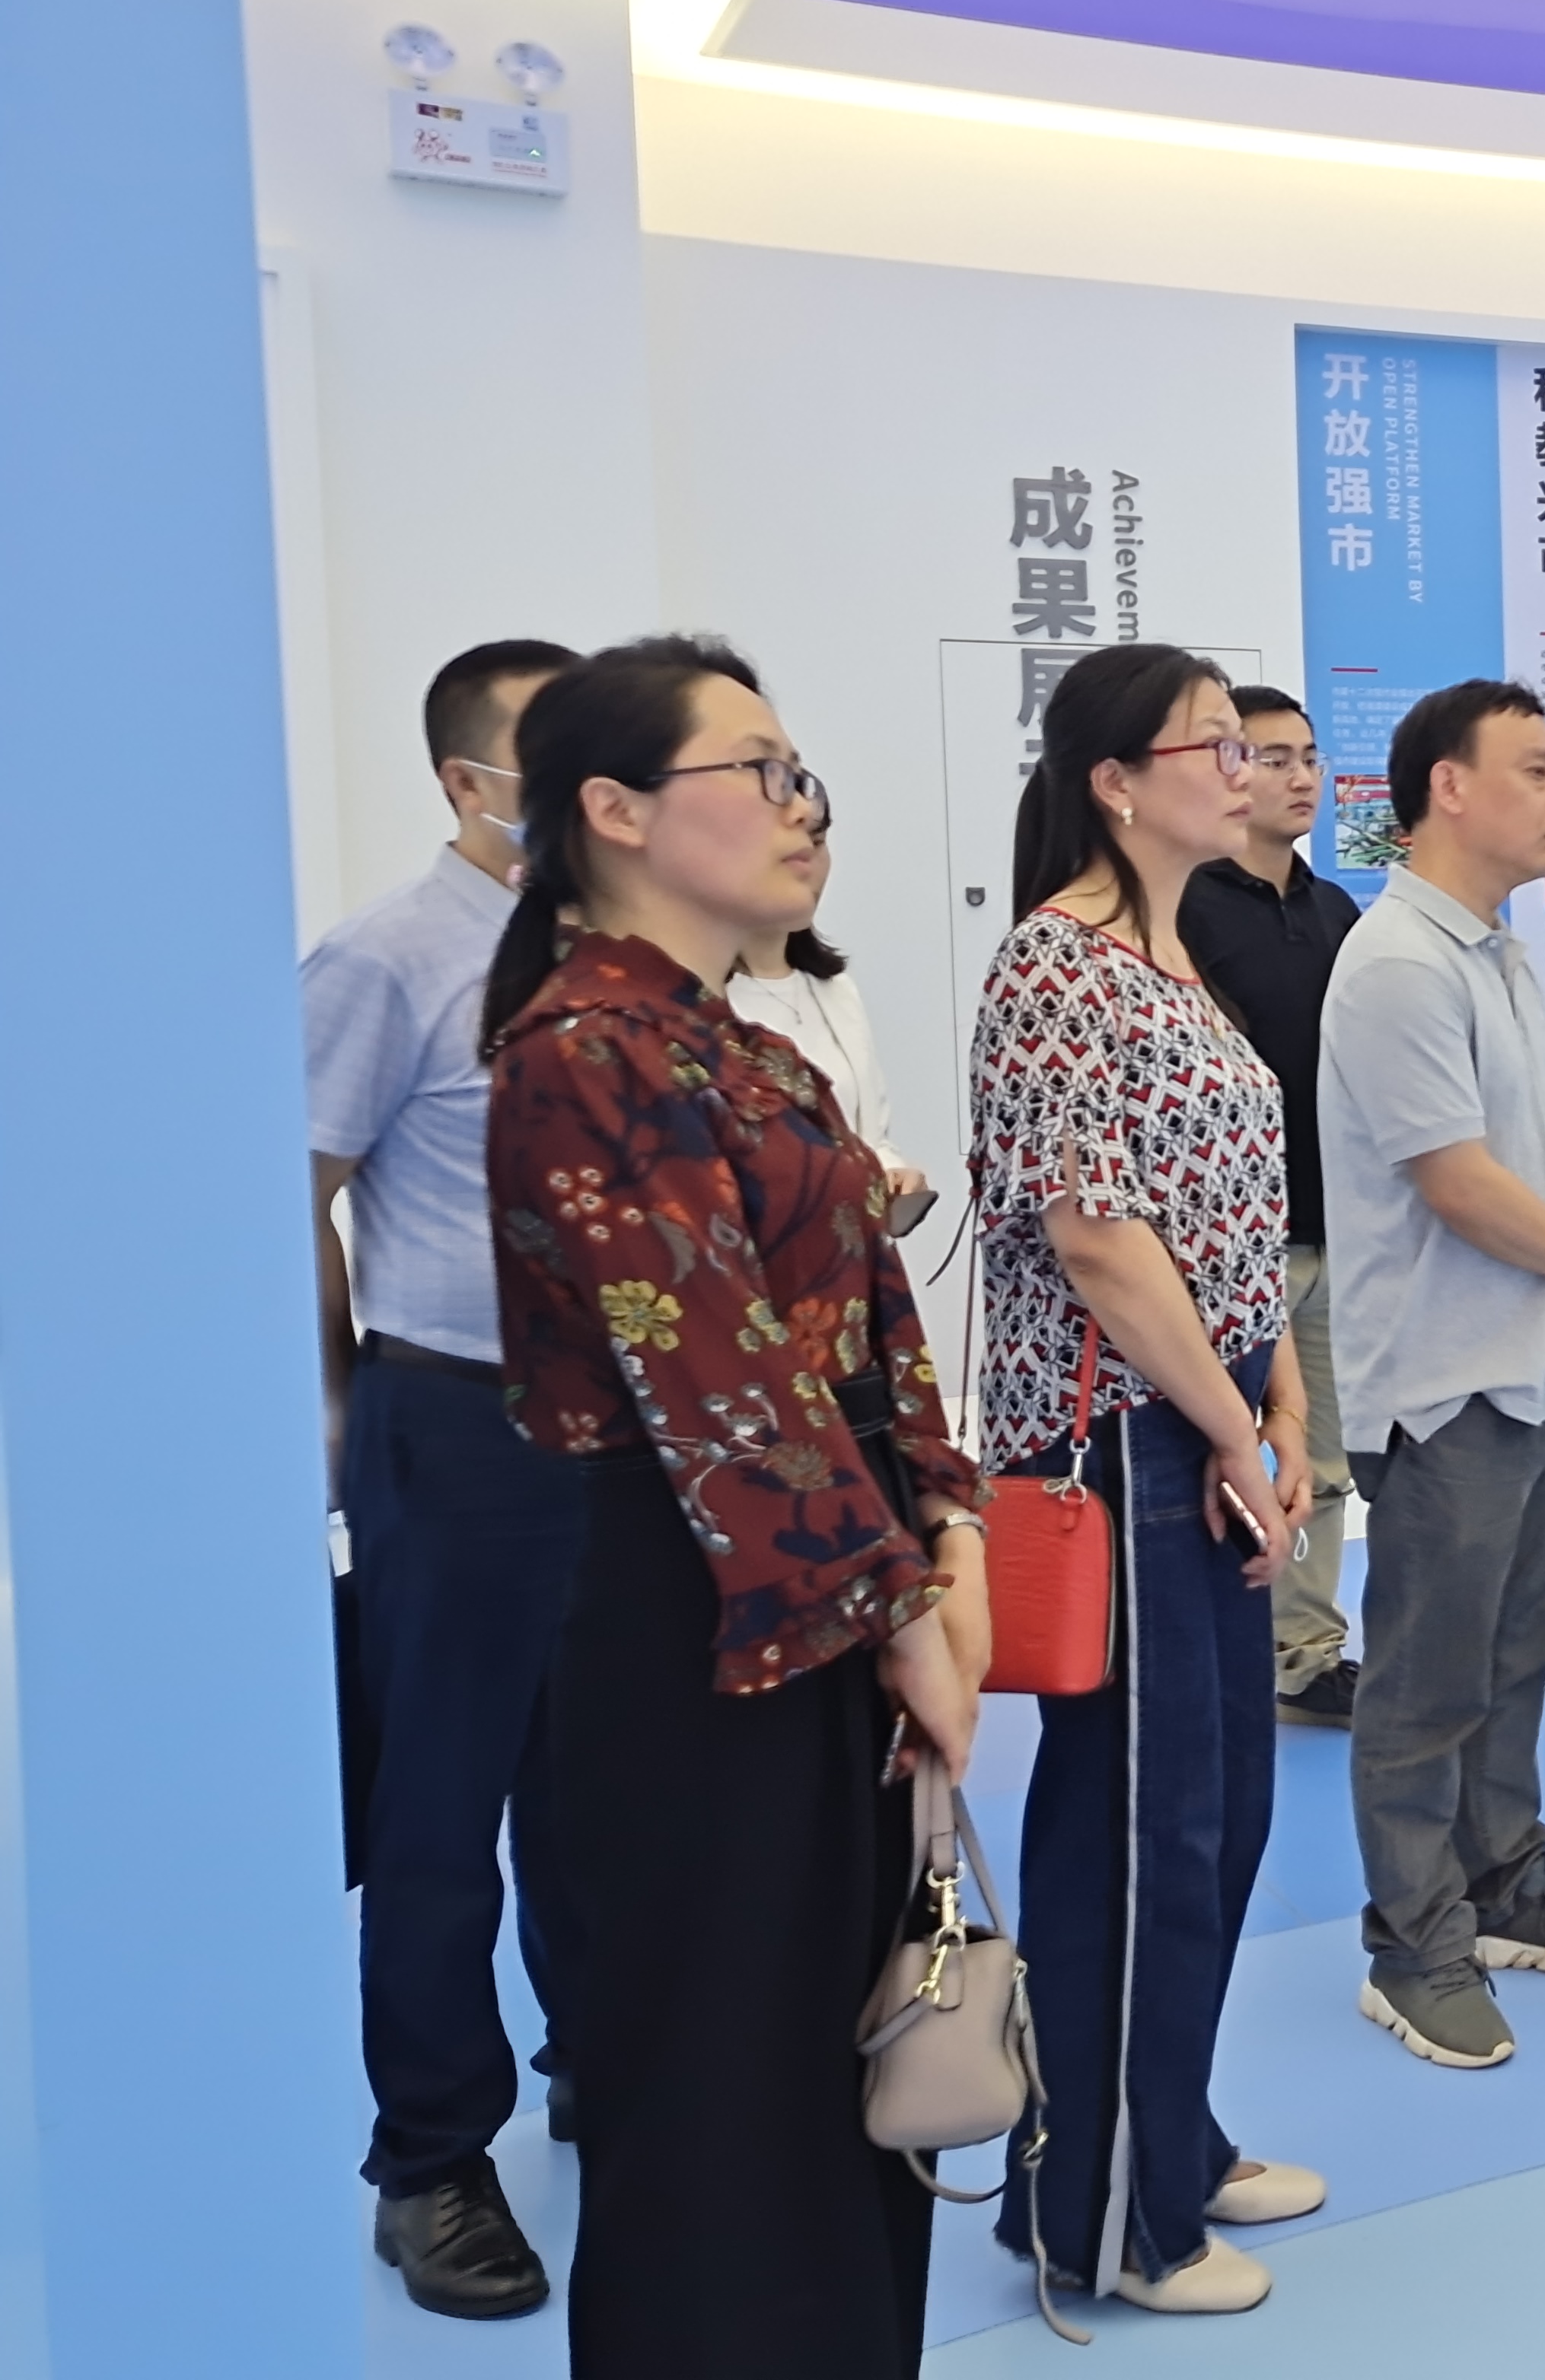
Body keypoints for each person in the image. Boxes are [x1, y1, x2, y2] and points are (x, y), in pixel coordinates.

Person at [478, 635, 985, 2376]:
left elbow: (876, 1319)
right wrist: (907, 1613)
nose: (799, 805)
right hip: (694, 1622)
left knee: (840, 2067)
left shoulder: (745, 1044)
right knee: (715, 2085)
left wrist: (951, 1528)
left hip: (838, 1586)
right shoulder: (579, 1052)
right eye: (757, 771)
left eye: (799, 772)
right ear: (614, 811)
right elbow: (715, 1375)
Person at [970, 644, 1327, 2314]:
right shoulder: (1056, 969)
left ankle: (1161, 2129)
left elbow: (1242, 1229)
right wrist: (1235, 1435)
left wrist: (1282, 1404)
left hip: (1211, 1420)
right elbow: (1100, 1242)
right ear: (1116, 782)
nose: (1248, 768)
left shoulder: (1182, 962)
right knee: (1139, 1828)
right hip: (1119, 1442)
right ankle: (1106, 2216)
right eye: (1215, 745)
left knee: (1223, 1812)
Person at [304, 635, 581, 2320]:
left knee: (601, 1787)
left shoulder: (622, 954)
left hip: (614, 1442)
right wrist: (352, 1407)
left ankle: (597, 2058)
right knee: (440, 1813)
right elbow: (296, 1185)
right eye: (553, 752)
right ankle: (431, 2161)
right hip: (455, 1422)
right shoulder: (389, 956)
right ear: (467, 781)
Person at [1318, 678, 1545, 2068]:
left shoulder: (1496, 950)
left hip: (1525, 1366)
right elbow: (1451, 1180)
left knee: (1517, 1653)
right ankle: (1413, 1946)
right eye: (1540, 771)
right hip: (1440, 1379)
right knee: (1424, 1682)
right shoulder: (1397, 960)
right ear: (1448, 788)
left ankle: (1505, 1882)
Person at [1178, 684, 1366, 1726]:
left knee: (1323, 1463)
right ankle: (1214, 1650)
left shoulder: (1337, 911)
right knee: (1208, 1460)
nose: (1301, 777)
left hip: (1335, 1231)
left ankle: (1304, 1653)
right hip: (1226, 1246)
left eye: (1310, 756)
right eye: (1273, 757)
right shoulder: (1186, 910)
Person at [725, 845, 928, 1211]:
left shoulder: (835, 989)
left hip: (853, 1234)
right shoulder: (697, 1000)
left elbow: (871, 1139)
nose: (808, 862)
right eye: (788, 846)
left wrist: (893, 1174)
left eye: (817, 839)